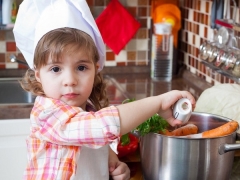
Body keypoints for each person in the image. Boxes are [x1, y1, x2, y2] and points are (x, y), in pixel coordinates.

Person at [13, 0, 196, 180]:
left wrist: (113, 164)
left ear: (96, 68)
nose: (70, 80)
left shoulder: (89, 111)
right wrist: (158, 102)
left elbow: (90, 142)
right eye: (55, 69)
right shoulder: (47, 115)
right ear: (38, 75)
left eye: (81, 67)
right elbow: (99, 126)